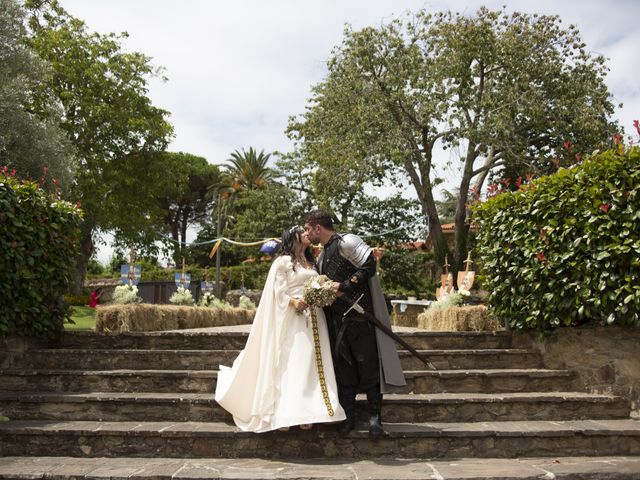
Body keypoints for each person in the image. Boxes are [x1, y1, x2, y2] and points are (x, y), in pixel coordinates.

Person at [215, 226, 346, 432]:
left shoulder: (312, 263)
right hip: (293, 316)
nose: (306, 233)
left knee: (310, 361)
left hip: (314, 317)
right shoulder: (283, 262)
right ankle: (285, 411)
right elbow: (278, 292)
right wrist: (294, 302)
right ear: (292, 237)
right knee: (294, 359)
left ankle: (310, 409)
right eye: (302, 231)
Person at [304, 210, 407, 438]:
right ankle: (348, 418)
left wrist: (345, 285)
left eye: (308, 229)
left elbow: (369, 267)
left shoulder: (347, 242)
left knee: (368, 368)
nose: (307, 233)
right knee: (344, 372)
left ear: (317, 228)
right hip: (337, 321)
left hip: (360, 318)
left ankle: (374, 419)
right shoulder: (321, 256)